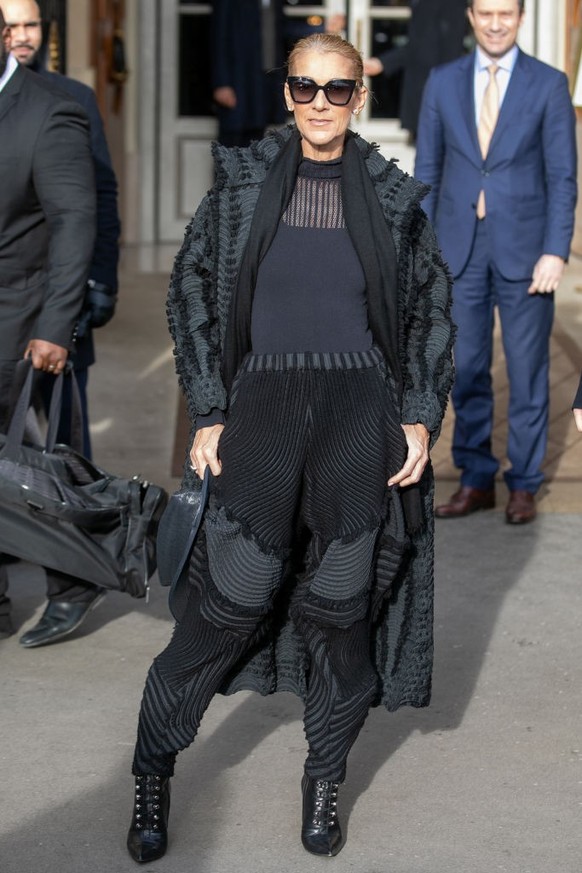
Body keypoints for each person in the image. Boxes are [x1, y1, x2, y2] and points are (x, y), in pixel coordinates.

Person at [126, 33, 454, 863]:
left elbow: (429, 312)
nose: (318, 103)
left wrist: (418, 414)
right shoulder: (239, 188)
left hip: (357, 424)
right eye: (304, 87)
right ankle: (152, 771)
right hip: (261, 419)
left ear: (358, 99)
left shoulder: (390, 197)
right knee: (222, 610)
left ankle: (323, 779)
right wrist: (207, 405)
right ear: (285, 94)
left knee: (342, 619)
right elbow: (192, 287)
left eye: (336, 90)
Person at [415, 0, 577, 524]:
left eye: (505, 13)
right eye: (486, 13)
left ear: (521, 18)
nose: (495, 22)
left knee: (530, 371)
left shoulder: (549, 84)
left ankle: (524, 483)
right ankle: (477, 477)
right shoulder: (442, 82)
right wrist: (426, 251)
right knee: (466, 370)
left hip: (528, 251)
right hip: (459, 247)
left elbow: (563, 178)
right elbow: (428, 171)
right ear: (471, 15)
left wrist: (555, 249)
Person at [0, 11, 98, 643]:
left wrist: (56, 327)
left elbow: (75, 222)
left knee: (33, 465)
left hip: (18, 316)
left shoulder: (49, 111)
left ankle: (77, 577)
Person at [2, 0, 120, 461]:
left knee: (59, 447)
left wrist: (100, 282)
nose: (23, 35)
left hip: (50, 299)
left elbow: (93, 203)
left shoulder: (65, 102)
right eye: (14, 24)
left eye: (31, 23)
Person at [211, 0, 345, 147]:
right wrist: (221, 83)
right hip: (238, 80)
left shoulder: (276, 2)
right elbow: (218, 37)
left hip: (264, 79)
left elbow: (282, 28)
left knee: (257, 139)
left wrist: (322, 27)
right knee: (232, 140)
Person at [364, 0, 467, 140]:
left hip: (436, 100)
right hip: (430, 98)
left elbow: (435, 48)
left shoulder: (448, 4)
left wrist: (385, 62)